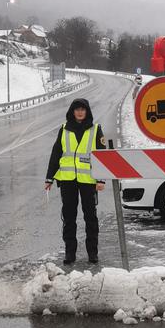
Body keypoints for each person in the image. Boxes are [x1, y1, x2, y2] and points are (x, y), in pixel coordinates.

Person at [44, 98, 106, 264]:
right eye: (77, 109)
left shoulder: (95, 129)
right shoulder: (64, 129)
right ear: (72, 111)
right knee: (69, 217)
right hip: (68, 180)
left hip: (88, 180)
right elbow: (56, 154)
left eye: (83, 109)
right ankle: (69, 253)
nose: (80, 112)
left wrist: (101, 179)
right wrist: (49, 178)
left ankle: (92, 252)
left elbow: (102, 156)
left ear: (87, 112)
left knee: (90, 217)